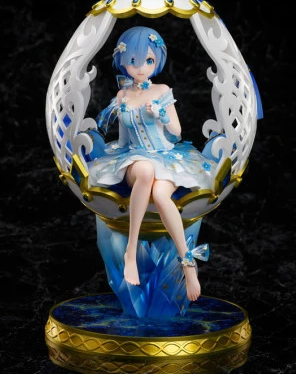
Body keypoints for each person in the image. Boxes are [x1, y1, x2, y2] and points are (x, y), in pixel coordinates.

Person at [88, 26, 215, 302]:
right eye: (133, 61)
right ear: (122, 61)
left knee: (160, 193)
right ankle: (131, 251)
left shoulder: (162, 90)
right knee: (145, 169)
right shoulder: (122, 95)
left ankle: (187, 262)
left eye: (148, 60)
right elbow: (124, 139)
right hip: (135, 159)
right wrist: (112, 155)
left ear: (157, 60)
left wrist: (161, 115)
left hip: (166, 156)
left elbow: (176, 133)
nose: (140, 68)